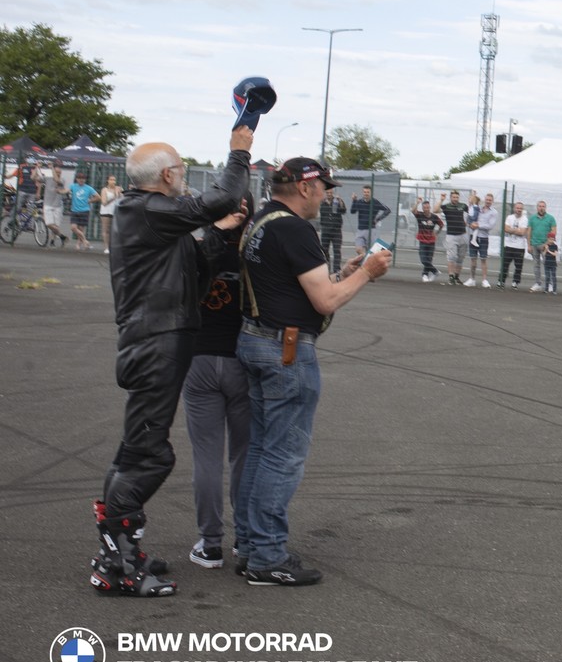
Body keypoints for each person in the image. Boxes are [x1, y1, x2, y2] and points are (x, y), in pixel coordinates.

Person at [89, 125, 253, 597]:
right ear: (166, 175)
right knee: (149, 454)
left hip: (160, 340)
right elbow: (221, 197)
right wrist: (238, 153)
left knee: (136, 448)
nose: (184, 177)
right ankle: (118, 562)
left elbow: (196, 266)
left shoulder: (152, 219)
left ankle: (120, 552)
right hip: (154, 343)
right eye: (180, 170)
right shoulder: (146, 209)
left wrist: (219, 235)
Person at [234, 158, 392, 586]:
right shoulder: (295, 229)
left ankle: (251, 546)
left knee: (262, 449)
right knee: (283, 455)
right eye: (323, 186)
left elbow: (293, 284)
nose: (327, 194)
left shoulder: (262, 220)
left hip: (255, 337)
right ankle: (267, 556)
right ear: (304, 188)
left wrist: (346, 273)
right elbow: (324, 302)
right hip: (284, 349)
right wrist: (366, 274)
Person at [181, 192, 254, 569]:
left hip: (200, 358)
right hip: (243, 361)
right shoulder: (254, 255)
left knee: (206, 457)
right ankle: (244, 538)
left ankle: (210, 543)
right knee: (244, 455)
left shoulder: (195, 249)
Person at [466, 192, 499, 287]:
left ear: (492, 201)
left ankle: (484, 280)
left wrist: (478, 225)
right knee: (473, 258)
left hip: (484, 237)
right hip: (473, 235)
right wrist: (471, 224)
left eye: (490, 200)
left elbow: (490, 225)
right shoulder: (478, 208)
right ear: (484, 200)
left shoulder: (494, 212)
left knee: (483, 259)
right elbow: (471, 214)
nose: (488, 201)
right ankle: (472, 279)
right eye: (487, 199)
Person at [438, 190, 469, 286]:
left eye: (457, 197)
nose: (455, 199)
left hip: (463, 234)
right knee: (452, 256)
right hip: (451, 235)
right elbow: (435, 210)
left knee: (460, 257)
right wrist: (441, 200)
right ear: (451, 197)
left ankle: (456, 276)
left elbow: (471, 214)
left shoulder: (463, 206)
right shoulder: (446, 206)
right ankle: (451, 276)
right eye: (454, 197)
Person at [526, 200, 558, 294]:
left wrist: (547, 244)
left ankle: (550, 284)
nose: (541, 208)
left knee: (547, 264)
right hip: (534, 244)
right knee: (536, 265)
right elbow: (529, 232)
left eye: (543, 206)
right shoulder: (532, 218)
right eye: (539, 206)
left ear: (545, 207)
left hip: (546, 245)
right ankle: (538, 283)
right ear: (537, 207)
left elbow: (553, 232)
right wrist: (529, 245)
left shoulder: (550, 218)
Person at [349, 185, 390, 253]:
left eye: (368, 192)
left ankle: (370, 260)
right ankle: (365, 261)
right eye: (364, 192)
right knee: (358, 249)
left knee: (371, 251)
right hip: (360, 230)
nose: (366, 194)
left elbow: (387, 210)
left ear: (371, 193)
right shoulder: (359, 202)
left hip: (371, 230)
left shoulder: (375, 202)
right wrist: (354, 201)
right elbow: (352, 211)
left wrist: (378, 219)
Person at [498, 200, 530, 289]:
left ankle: (515, 282)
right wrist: (516, 230)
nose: (519, 209)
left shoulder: (525, 219)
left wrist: (512, 230)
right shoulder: (509, 217)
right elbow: (505, 229)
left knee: (518, 266)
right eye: (517, 208)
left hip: (520, 247)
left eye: (520, 208)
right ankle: (501, 281)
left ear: (522, 209)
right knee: (505, 264)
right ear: (514, 208)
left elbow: (523, 232)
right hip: (508, 245)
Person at [412, 198, 444, 282]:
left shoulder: (434, 217)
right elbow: (413, 211)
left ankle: (425, 275)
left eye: (428, 207)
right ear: (422, 208)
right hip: (422, 240)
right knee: (423, 259)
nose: (426, 209)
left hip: (431, 241)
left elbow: (441, 225)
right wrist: (417, 202)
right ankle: (435, 271)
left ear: (430, 208)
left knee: (429, 259)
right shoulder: (420, 215)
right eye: (424, 207)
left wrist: (437, 233)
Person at [38, 160, 67, 246]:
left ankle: (52, 241)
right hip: (48, 204)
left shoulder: (62, 180)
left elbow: (57, 180)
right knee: (49, 223)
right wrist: (38, 167)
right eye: (57, 172)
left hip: (58, 205)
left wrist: (52, 169)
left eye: (59, 172)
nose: (58, 174)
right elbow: (36, 178)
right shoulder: (48, 178)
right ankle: (62, 236)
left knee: (56, 224)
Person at [67, 169, 96, 250]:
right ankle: (85, 241)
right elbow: (67, 191)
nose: (81, 180)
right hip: (74, 210)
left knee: (81, 229)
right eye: (79, 178)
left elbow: (98, 197)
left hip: (84, 210)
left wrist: (90, 200)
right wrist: (60, 191)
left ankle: (78, 245)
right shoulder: (73, 186)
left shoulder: (88, 188)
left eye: (83, 178)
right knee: (73, 227)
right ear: (76, 179)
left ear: (85, 179)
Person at [317, 190, 346, 269]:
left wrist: (340, 202)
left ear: (333, 193)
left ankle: (336, 269)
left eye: (330, 193)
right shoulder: (322, 202)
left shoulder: (337, 201)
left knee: (337, 251)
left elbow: (344, 211)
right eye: (327, 193)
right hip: (326, 230)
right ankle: (326, 268)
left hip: (336, 230)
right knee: (325, 251)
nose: (329, 194)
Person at [97, 173, 121, 254]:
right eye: (111, 180)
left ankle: (113, 246)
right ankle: (106, 247)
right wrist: (114, 196)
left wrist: (120, 192)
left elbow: (123, 198)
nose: (113, 181)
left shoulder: (117, 189)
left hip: (115, 212)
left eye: (114, 180)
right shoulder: (104, 190)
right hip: (106, 212)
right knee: (106, 230)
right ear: (107, 181)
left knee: (114, 230)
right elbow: (104, 202)